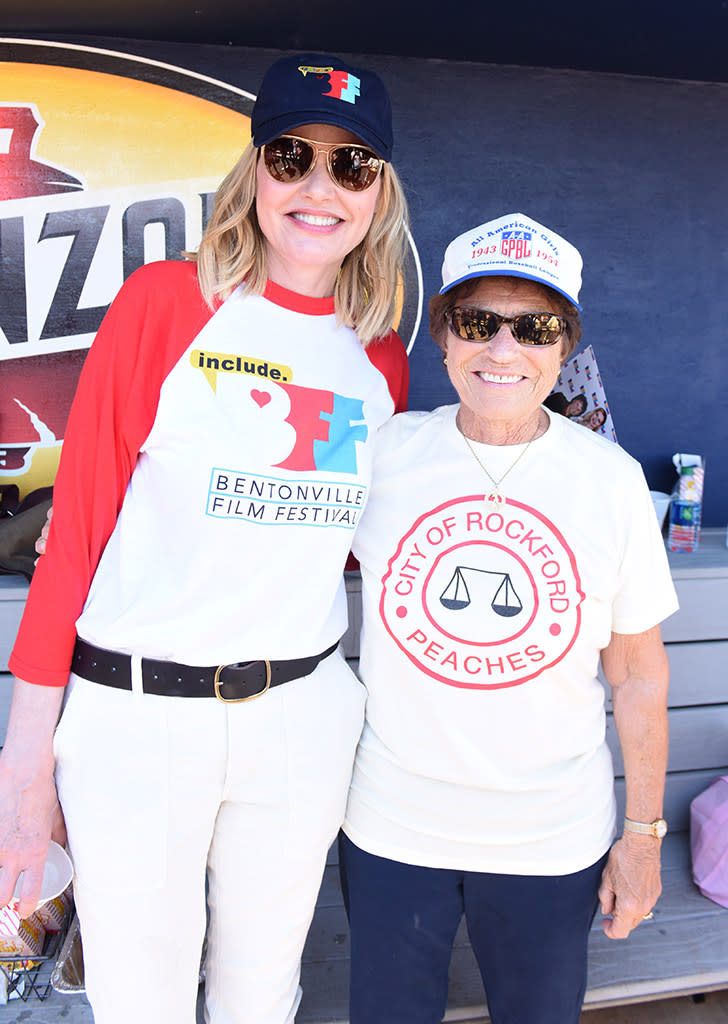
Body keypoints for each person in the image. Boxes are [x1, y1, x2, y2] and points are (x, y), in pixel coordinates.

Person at [0, 52, 409, 1024]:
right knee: (140, 998)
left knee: (262, 990)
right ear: (254, 170)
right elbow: (77, 534)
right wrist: (26, 770)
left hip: (299, 719)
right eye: (291, 155)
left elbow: (349, 544)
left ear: (379, 189)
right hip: (137, 719)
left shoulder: (378, 354)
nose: (318, 186)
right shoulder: (166, 303)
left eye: (350, 164)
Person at [339, 212, 678, 1024]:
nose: (503, 349)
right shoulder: (380, 455)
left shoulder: (609, 481)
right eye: (478, 322)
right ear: (443, 338)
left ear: (565, 347)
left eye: (535, 327)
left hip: (549, 840)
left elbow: (636, 675)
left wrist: (641, 840)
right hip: (392, 829)